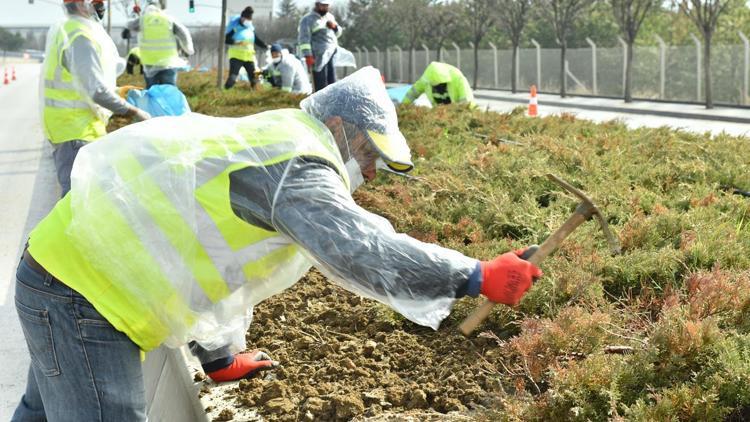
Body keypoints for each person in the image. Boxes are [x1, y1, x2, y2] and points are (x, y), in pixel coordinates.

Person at [12, 67, 541, 420]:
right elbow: (362, 247)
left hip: (69, 275)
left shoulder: (280, 140)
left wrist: (219, 357)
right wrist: (473, 275)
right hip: (84, 299)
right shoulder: (298, 166)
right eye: (370, 149)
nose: (373, 169)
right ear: (339, 123)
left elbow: (208, 261)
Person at [41, 0, 151, 196]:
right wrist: (132, 111)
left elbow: (78, 82)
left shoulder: (66, 28)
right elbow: (95, 90)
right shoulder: (81, 36)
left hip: (68, 126)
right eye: (98, 4)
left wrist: (117, 91)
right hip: (76, 130)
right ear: (83, 5)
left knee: (87, 197)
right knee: (79, 199)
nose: (102, 8)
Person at [129, 0, 194, 88]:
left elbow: (130, 27)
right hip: (169, 62)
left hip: (149, 63)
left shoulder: (143, 19)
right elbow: (183, 33)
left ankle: (154, 102)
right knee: (170, 91)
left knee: (152, 92)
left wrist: (134, 14)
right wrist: (188, 49)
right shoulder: (168, 19)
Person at [298, 0, 342, 91]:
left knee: (332, 83)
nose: (325, 7)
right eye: (323, 5)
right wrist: (308, 55)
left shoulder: (330, 17)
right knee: (321, 84)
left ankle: (333, 104)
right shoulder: (307, 20)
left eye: (327, 5)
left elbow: (337, 34)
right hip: (318, 57)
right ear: (317, 5)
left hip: (331, 55)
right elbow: (304, 39)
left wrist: (334, 27)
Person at [224, 6, 268, 90]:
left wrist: (265, 46)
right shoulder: (235, 28)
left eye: (249, 19)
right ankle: (225, 91)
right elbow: (227, 40)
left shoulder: (250, 28)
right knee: (233, 77)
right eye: (246, 19)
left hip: (249, 57)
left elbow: (256, 40)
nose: (248, 21)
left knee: (254, 78)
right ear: (242, 18)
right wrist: (237, 42)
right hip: (236, 56)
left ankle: (254, 93)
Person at [402, 61, 475, 107]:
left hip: (462, 114)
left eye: (442, 84)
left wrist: (456, 112)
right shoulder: (425, 80)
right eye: (436, 85)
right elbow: (412, 94)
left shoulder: (457, 77)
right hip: (441, 114)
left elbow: (466, 101)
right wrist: (403, 106)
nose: (439, 87)